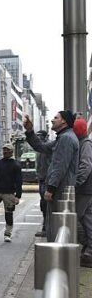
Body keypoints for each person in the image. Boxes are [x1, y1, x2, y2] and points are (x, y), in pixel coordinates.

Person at [0, 144, 23, 242]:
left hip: (9, 193)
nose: (5, 152)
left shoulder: (16, 165)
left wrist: (18, 196)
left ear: (11, 152)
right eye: (4, 150)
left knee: (8, 214)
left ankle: (8, 234)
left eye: (7, 150)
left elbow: (19, 181)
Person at [40, 111, 79, 205]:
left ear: (63, 121)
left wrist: (51, 188)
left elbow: (59, 166)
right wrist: (29, 132)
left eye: (56, 117)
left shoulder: (66, 138)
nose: (52, 120)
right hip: (61, 188)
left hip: (60, 190)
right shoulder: (63, 137)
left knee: (57, 218)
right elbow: (42, 147)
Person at [75, 118, 92, 267]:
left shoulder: (85, 144)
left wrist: (76, 183)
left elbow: (85, 166)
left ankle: (88, 249)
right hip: (87, 189)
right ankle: (88, 251)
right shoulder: (84, 143)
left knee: (77, 219)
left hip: (85, 189)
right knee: (87, 220)